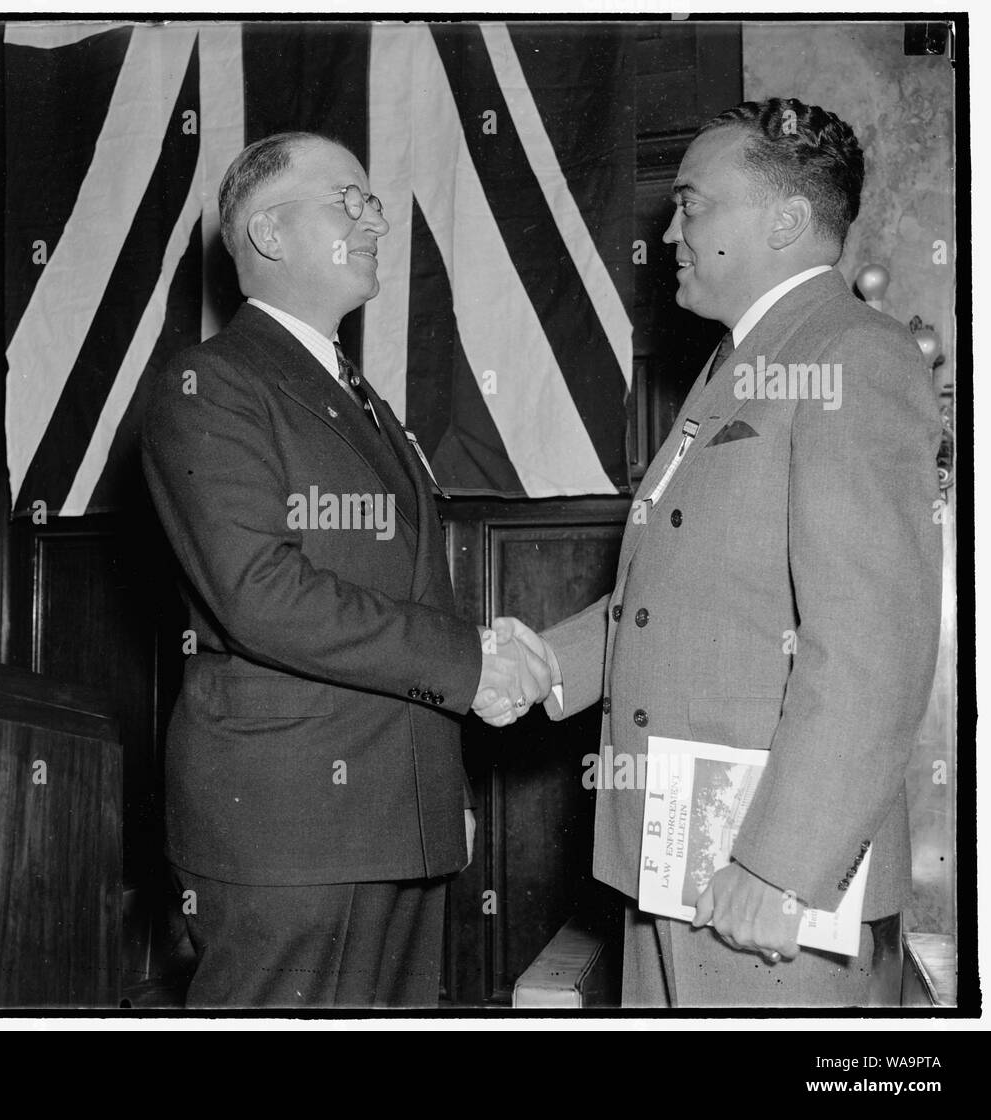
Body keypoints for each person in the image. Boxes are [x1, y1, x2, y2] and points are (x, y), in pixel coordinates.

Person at [483, 98, 943, 1007]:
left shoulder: (852, 353)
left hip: (767, 894)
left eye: (693, 203)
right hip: (677, 860)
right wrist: (548, 668)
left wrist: (782, 866)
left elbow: (873, 642)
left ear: (784, 219)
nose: (670, 229)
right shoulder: (739, 359)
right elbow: (688, 598)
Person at [142, 132, 548, 1008]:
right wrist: (472, 666)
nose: (376, 222)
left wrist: (436, 793)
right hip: (292, 832)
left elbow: (408, 592)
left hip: (391, 826)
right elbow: (262, 596)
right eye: (349, 201)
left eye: (374, 203)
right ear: (270, 235)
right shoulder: (211, 385)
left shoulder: (357, 396)